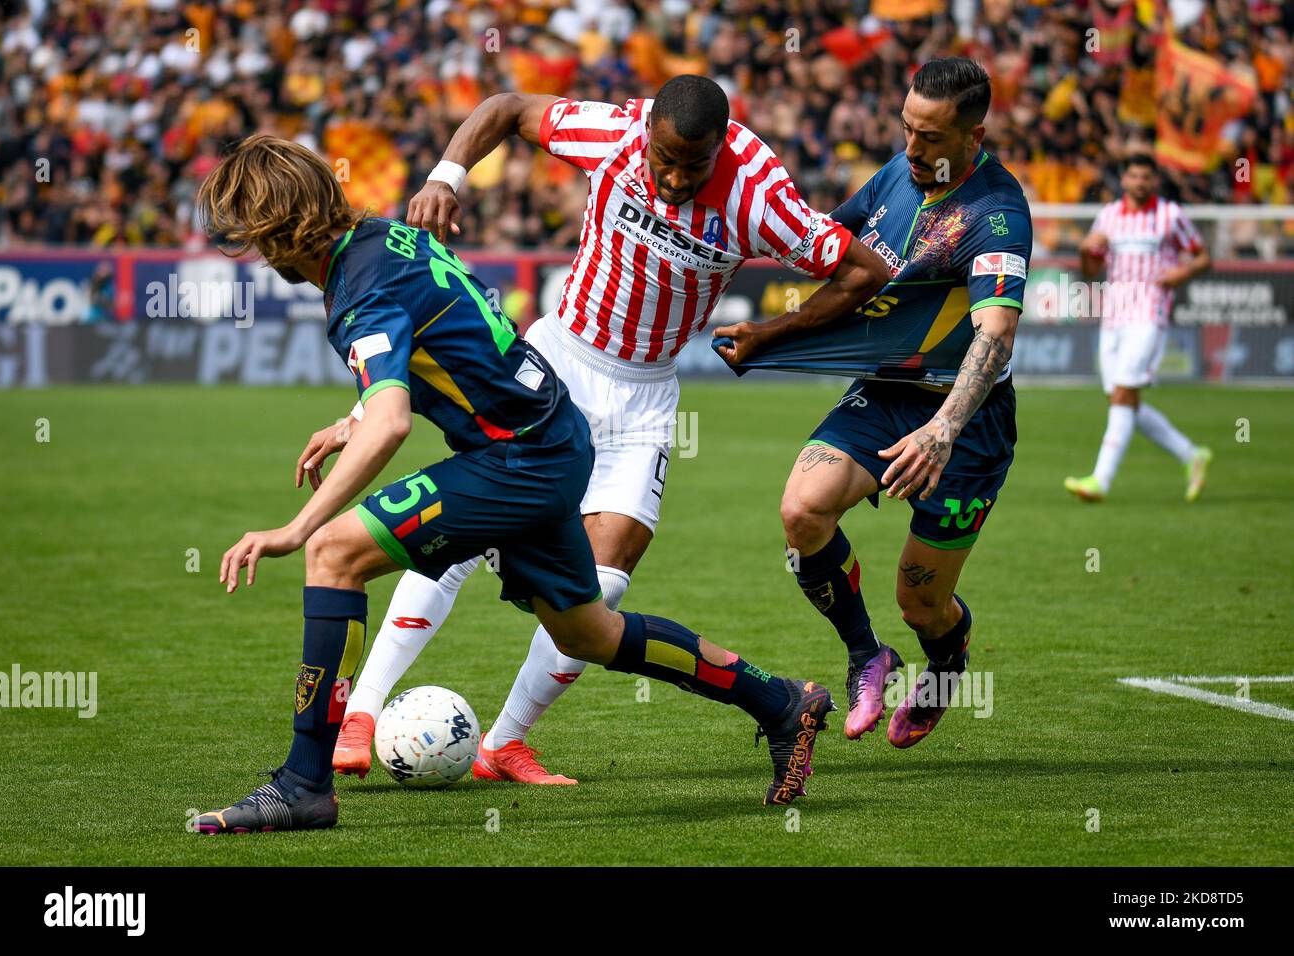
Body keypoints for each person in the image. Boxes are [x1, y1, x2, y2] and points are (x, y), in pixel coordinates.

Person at [188, 133, 851, 831]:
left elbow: (392, 423)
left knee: (331, 551)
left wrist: (296, 527)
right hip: (552, 436)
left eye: (260, 239)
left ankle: (302, 785)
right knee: (589, 632)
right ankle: (780, 702)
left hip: (518, 458)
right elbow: (452, 342)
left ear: (284, 228)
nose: (261, 256)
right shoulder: (385, 239)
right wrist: (353, 415)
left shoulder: (358, 292)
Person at [328, 74, 893, 784]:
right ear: (649, 130)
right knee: (460, 538)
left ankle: (503, 744)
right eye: (665, 159)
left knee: (603, 589)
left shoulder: (758, 194)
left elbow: (862, 271)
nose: (676, 176)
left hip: (645, 401)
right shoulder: (616, 133)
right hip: (551, 366)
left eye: (696, 164)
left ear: (724, 144)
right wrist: (447, 175)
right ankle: (363, 712)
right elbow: (507, 107)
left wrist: (772, 333)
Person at [715, 57, 1031, 749]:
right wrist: (766, 326)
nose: (913, 150)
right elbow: (841, 259)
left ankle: (946, 667)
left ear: (974, 134)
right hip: (887, 394)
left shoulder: (996, 215)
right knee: (802, 511)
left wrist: (944, 428)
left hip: (966, 426)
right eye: (906, 131)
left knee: (920, 600)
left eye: (932, 138)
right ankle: (868, 656)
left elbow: (997, 335)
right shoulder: (898, 172)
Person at [1064, 154, 1213, 503]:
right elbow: (1089, 271)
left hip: (1150, 313)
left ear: (1154, 181)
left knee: (1123, 393)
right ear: (1124, 179)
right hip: (1114, 313)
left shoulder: (1170, 216)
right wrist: (1085, 251)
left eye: (1146, 177)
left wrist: (1184, 272)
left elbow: (1203, 256)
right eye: (1133, 176)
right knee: (1122, 398)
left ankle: (1100, 480)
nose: (1140, 183)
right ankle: (1191, 454)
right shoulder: (1109, 216)